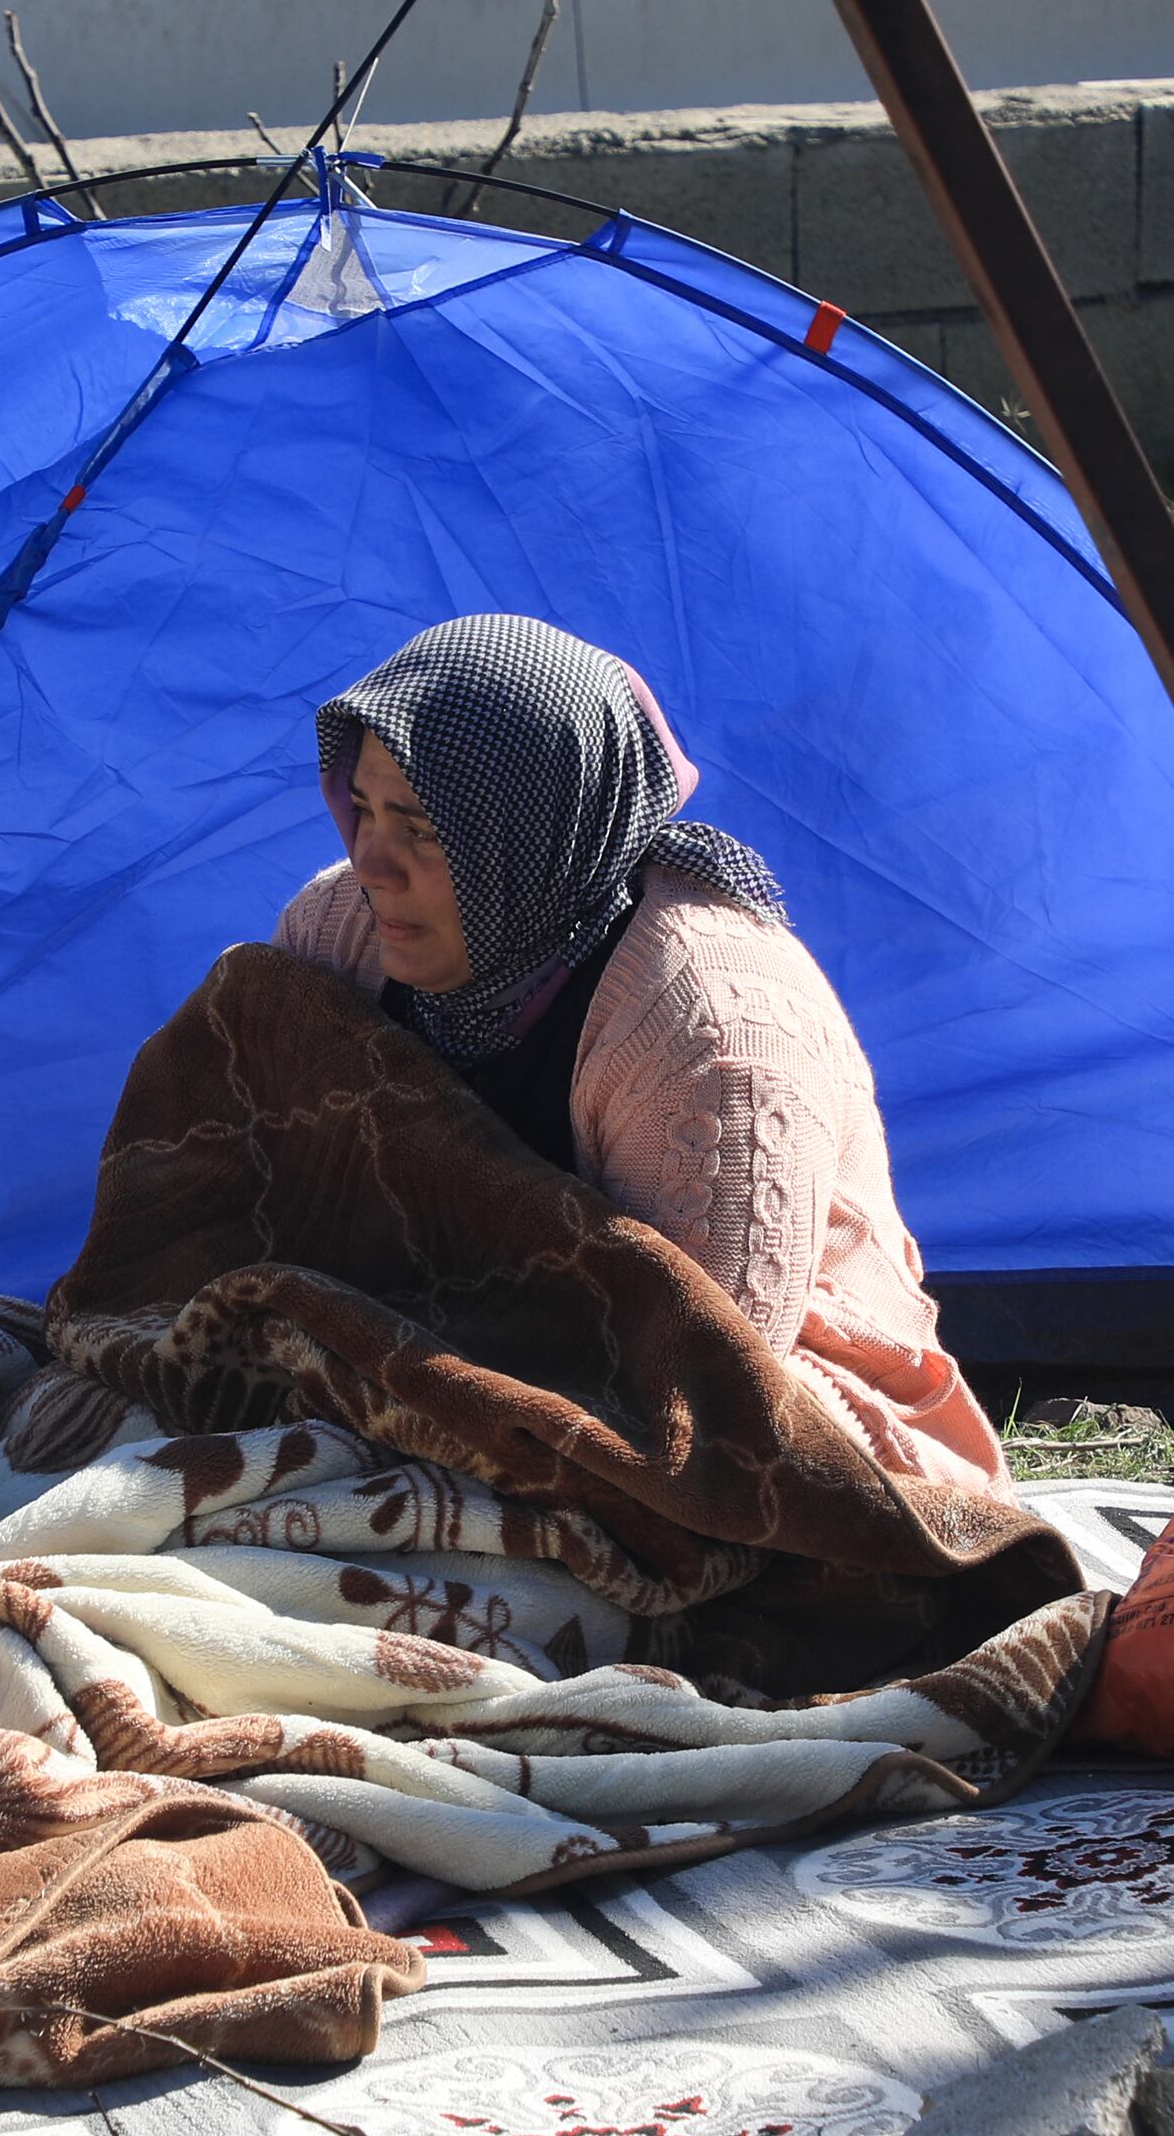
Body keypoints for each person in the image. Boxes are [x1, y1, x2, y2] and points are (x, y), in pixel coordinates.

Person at [276, 613, 1005, 1490]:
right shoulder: (340, 926)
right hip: (442, 1343)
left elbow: (711, 1397)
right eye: (360, 807)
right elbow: (252, 1153)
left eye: (424, 828)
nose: (371, 862)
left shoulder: (715, 1039)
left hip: (756, 1397)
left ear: (530, 832)